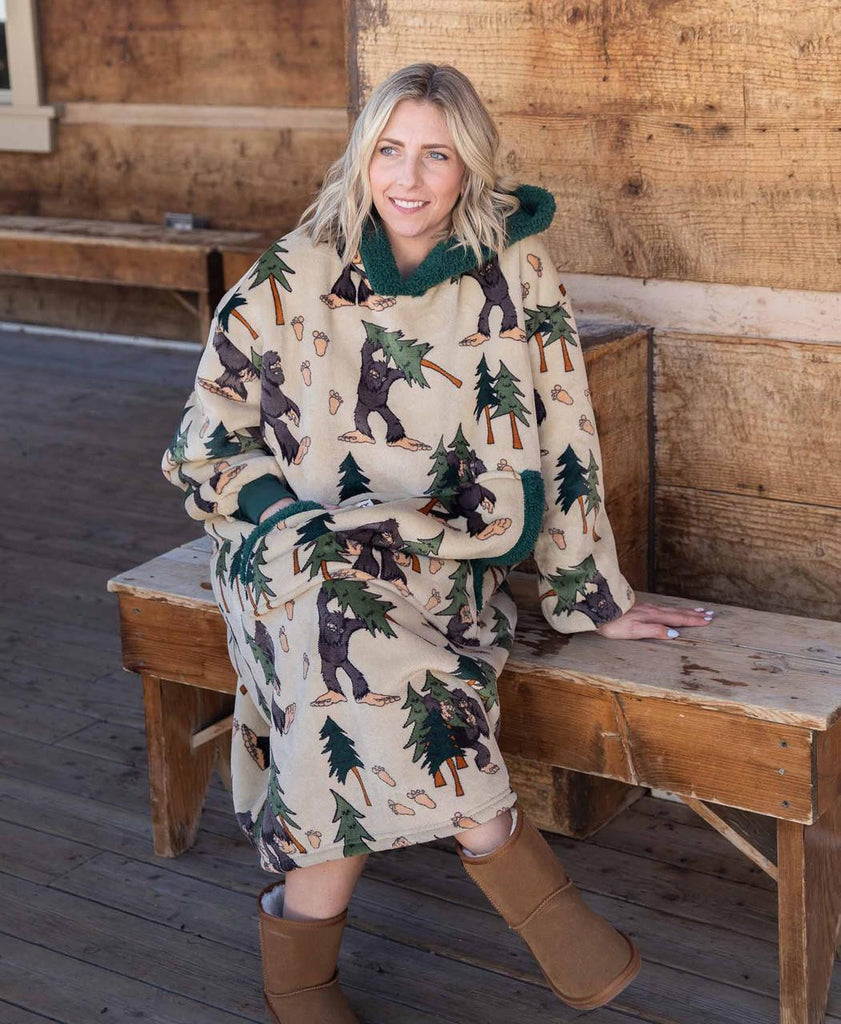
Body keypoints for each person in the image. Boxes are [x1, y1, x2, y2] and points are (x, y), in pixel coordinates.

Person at [162, 62, 713, 1024]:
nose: (408, 180)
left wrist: (593, 594)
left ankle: (299, 984)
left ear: (471, 167)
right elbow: (207, 431)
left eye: (436, 155)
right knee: (336, 624)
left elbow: (565, 430)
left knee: (351, 665)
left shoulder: (516, 271)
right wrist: (283, 518)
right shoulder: (296, 266)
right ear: (361, 157)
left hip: (435, 560)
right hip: (287, 548)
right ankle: (492, 833)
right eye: (388, 151)